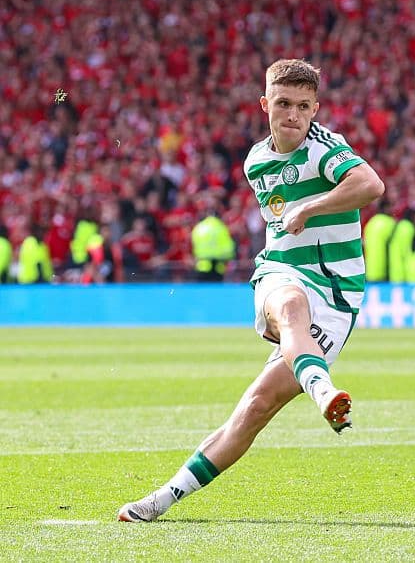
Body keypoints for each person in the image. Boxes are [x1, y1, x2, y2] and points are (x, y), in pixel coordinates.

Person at [118, 59, 384, 523]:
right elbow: (281, 235)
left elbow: (370, 183)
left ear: (315, 108)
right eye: (283, 104)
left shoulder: (327, 149)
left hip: (338, 298)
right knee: (289, 302)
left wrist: (312, 207)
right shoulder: (256, 162)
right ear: (265, 105)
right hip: (280, 274)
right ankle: (322, 390)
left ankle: (162, 499)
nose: (293, 115)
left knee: (256, 407)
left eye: (304, 106)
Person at [191, 211, 237, 282]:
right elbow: (229, 249)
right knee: (216, 291)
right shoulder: (222, 227)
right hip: (218, 267)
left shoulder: (198, 227)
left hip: (202, 265)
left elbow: (193, 244)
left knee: (202, 290)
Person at [362, 199, 395, 282]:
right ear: (386, 208)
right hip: (384, 270)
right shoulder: (390, 223)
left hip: (369, 270)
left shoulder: (370, 223)